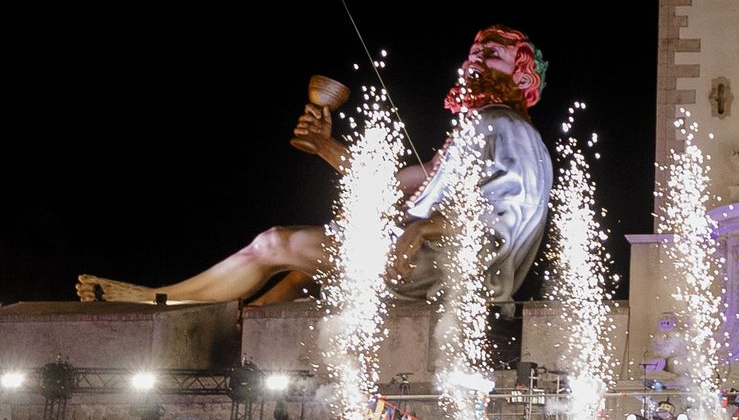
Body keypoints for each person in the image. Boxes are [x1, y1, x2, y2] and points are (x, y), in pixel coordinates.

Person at [76, 26, 553, 305]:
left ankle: (165, 302)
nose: (474, 60)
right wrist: (327, 146)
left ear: (521, 75)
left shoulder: (506, 128)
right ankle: (229, 315)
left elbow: (500, 221)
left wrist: (420, 232)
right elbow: (392, 186)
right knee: (320, 249)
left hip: (446, 268)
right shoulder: (473, 132)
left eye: (491, 55)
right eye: (473, 52)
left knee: (274, 243)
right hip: (425, 259)